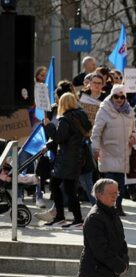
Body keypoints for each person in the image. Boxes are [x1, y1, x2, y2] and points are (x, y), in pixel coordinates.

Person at [43, 92, 91, 228]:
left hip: (66, 158)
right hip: (77, 157)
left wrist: (48, 126)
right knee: (66, 188)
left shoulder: (65, 119)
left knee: (58, 186)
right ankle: (69, 218)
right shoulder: (81, 115)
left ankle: (69, 218)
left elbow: (59, 137)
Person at [91, 85, 136, 216]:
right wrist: (95, 148)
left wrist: (134, 137)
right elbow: (96, 132)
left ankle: (118, 206)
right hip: (108, 152)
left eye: (122, 97)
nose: (119, 99)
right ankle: (108, 208)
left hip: (123, 153)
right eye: (116, 96)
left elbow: (134, 130)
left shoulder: (129, 111)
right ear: (112, 96)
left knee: (120, 185)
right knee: (109, 184)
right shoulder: (104, 110)